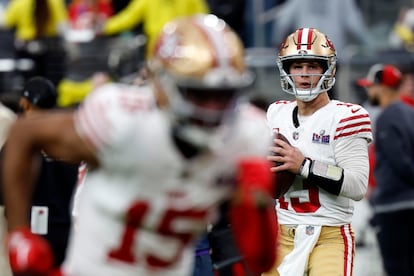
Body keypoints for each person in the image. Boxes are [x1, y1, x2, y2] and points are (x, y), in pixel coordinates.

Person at [2, 14, 278, 276]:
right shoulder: (124, 121)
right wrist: (18, 232)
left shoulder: (246, 136)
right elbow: (25, 133)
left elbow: (259, 255)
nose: (212, 109)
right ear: (161, 85)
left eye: (224, 95)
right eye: (198, 94)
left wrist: (257, 204)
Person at [262, 27, 373, 276]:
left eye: (313, 66)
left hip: (328, 235)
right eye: (297, 66)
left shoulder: (346, 116)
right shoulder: (275, 113)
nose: (304, 74)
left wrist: (304, 165)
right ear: (286, 70)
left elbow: (357, 185)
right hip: (282, 234)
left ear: (327, 69)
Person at [17, 76, 80, 268]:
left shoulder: (22, 141)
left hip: (32, 232)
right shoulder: (70, 136)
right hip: (66, 229)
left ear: (24, 103)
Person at [357, 63, 414, 276]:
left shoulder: (387, 116)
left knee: (396, 269)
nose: (368, 91)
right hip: (407, 202)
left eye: (371, 86)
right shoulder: (409, 112)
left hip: (394, 205)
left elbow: (399, 161)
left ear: (383, 88)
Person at [100, 0, 209, 58]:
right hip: (155, 54)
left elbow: (203, 21)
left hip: (185, 53)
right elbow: (128, 17)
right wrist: (104, 27)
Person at [3, 0, 68, 86]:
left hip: (26, 48)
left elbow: (7, 23)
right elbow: (62, 26)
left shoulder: (19, 2)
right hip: (50, 50)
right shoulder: (56, 2)